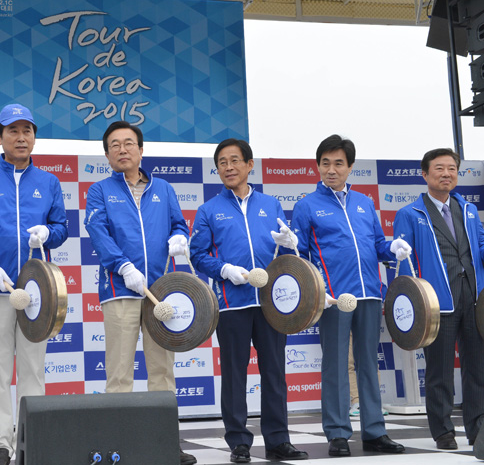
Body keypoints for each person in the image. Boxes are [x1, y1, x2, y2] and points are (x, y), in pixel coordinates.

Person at [0, 103, 68, 465]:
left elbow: (62, 229)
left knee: (33, 367)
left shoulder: (49, 182)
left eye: (27, 131)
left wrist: (49, 232)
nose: (21, 137)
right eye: (13, 131)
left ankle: (31, 439)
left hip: (39, 291)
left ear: (34, 137)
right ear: (0, 137)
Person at [84, 120, 197, 465]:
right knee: (119, 372)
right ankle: (118, 444)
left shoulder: (163, 187)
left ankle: (165, 441)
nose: (122, 149)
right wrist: (123, 267)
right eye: (114, 145)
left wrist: (180, 236)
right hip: (120, 290)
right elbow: (98, 230)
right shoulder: (99, 190)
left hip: (161, 291)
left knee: (162, 370)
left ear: (141, 149)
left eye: (128, 143)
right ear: (107, 154)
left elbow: (178, 222)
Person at [289, 134, 410, 457]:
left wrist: (392, 248)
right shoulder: (306, 206)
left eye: (338, 163)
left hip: (370, 294)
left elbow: (376, 245)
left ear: (350, 167)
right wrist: (318, 293)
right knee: (336, 365)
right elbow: (299, 258)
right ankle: (338, 433)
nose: (331, 169)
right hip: (333, 300)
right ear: (317, 166)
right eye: (325, 163)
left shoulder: (364, 202)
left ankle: (374, 431)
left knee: (369, 363)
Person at [189, 139, 308, 463]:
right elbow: (197, 255)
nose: (228, 167)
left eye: (234, 161)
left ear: (249, 164)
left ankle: (278, 440)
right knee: (234, 373)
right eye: (222, 163)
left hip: (272, 302)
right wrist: (225, 269)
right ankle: (239, 441)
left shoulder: (270, 205)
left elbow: (284, 254)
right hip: (231, 303)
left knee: (274, 372)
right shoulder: (208, 210)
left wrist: (289, 245)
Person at [393, 148, 484, 455]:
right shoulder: (410, 213)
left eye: (452, 169)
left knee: (477, 368)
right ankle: (443, 431)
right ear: (425, 174)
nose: (447, 174)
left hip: (473, 299)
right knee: (439, 371)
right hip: (436, 303)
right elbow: (403, 263)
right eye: (440, 169)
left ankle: (478, 428)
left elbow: (480, 246)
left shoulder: (468, 209)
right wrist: (413, 304)